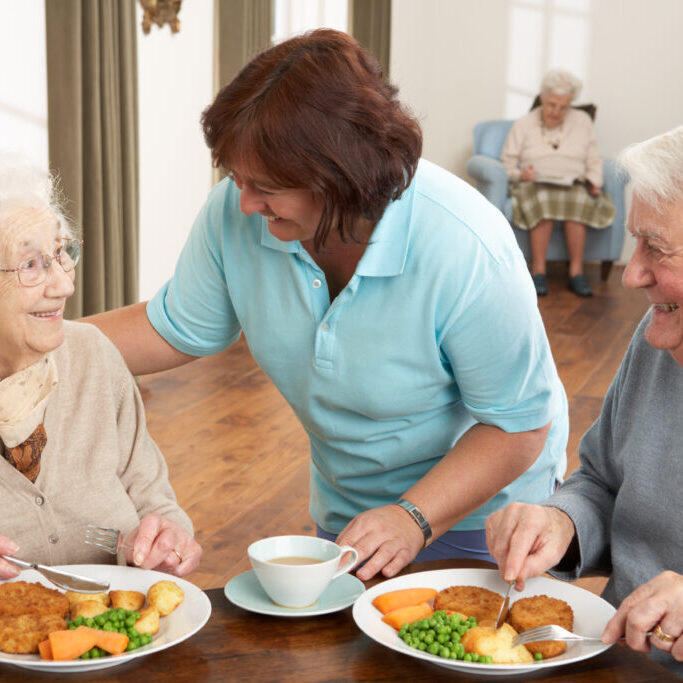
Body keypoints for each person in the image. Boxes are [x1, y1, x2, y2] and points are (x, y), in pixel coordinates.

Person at [87, 29, 568, 582]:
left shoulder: (466, 245)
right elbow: (171, 328)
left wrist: (414, 516)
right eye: (236, 178)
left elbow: (518, 426)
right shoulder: (240, 213)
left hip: (486, 516)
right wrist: (32, 343)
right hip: (352, 509)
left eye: (265, 185)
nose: (244, 202)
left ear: (341, 177)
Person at [486, 126, 683, 674]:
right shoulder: (659, 337)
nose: (632, 274)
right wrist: (561, 525)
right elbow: (600, 481)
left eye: (657, 249)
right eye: (634, 243)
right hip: (619, 659)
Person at [0, 154, 202, 580]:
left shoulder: (91, 353)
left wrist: (169, 537)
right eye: (31, 264)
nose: (65, 285)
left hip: (121, 634)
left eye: (61, 254)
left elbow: (154, 501)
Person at [501, 69, 616, 298]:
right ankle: (539, 271)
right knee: (543, 200)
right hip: (534, 184)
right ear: (542, 99)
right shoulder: (524, 124)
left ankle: (576, 273)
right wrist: (521, 174)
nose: (556, 112)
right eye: (552, 104)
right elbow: (507, 163)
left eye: (564, 107)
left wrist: (594, 181)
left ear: (571, 103)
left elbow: (594, 157)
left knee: (579, 200)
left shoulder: (582, 121)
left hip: (572, 183)